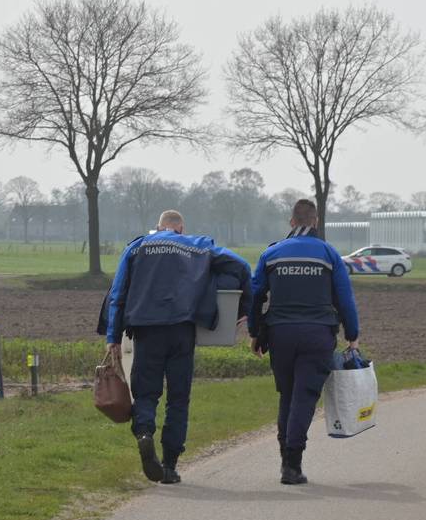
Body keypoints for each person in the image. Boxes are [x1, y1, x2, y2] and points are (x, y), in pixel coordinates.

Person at [100, 210, 250, 484]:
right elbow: (241, 266)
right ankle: (169, 464)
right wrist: (242, 307)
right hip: (182, 330)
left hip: (146, 330)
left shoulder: (136, 247)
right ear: (181, 228)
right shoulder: (197, 245)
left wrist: (113, 336)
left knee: (146, 393)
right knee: (178, 399)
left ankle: (145, 433)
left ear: (158, 227)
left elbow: (118, 293)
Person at [247, 199, 360, 485]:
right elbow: (345, 298)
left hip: (280, 334)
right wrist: (352, 334)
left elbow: (255, 294)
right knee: (304, 397)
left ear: (291, 222)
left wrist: (254, 331)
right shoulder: (329, 254)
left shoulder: (271, 253)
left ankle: (286, 456)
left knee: (287, 395)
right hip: (317, 335)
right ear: (316, 222)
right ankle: (292, 464)